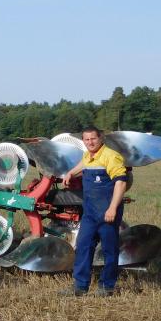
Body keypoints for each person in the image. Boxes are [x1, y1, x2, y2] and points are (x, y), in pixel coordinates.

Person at [61, 126, 128, 296]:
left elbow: (121, 183)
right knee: (83, 245)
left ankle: (107, 286)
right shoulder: (88, 156)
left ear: (101, 138)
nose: (90, 142)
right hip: (90, 212)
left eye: (93, 138)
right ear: (83, 141)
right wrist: (70, 173)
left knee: (109, 249)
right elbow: (83, 164)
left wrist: (113, 208)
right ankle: (80, 286)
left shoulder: (111, 156)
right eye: (87, 139)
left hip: (108, 212)